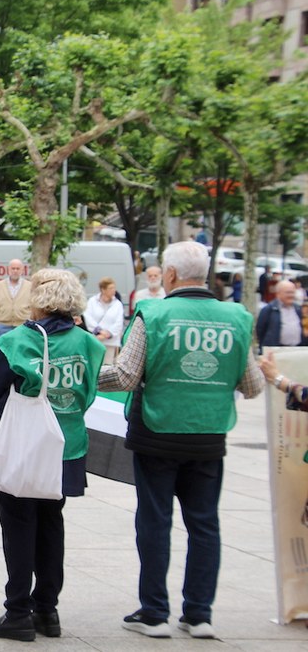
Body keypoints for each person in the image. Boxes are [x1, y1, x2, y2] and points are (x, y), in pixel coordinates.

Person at [98, 241, 264, 640]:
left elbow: (125, 376)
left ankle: (154, 612)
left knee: (155, 521)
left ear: (169, 275)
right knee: (205, 524)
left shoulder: (153, 313)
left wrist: (89, 373)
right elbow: (253, 385)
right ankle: (199, 613)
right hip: (208, 435)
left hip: (158, 433)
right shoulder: (236, 317)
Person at [0, 268, 106, 641]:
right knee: (51, 525)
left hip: (26, 447)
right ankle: (47, 611)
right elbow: (90, 393)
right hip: (69, 446)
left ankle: (17, 612)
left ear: (40, 300)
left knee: (18, 526)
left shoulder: (19, 341)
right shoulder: (89, 344)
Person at [0, 258, 32, 339]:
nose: (15, 271)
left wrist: (30, 321)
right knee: (2, 351)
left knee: (21, 351)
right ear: (8, 269)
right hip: (3, 327)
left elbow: (35, 306)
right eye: (13, 268)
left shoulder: (29, 286)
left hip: (23, 327)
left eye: (18, 268)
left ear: (22, 270)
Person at [83, 277, 124, 364]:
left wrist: (107, 334)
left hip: (111, 342)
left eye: (114, 288)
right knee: (94, 363)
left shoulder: (118, 304)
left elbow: (119, 323)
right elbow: (88, 317)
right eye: (110, 288)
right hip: (96, 339)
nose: (114, 290)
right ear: (103, 290)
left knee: (107, 365)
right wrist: (99, 331)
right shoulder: (92, 301)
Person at [255, 280, 304, 350]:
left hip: (297, 349)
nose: (291, 295)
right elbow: (260, 331)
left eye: (293, 292)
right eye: (288, 292)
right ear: (278, 294)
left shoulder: (298, 309)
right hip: (277, 351)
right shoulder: (269, 309)